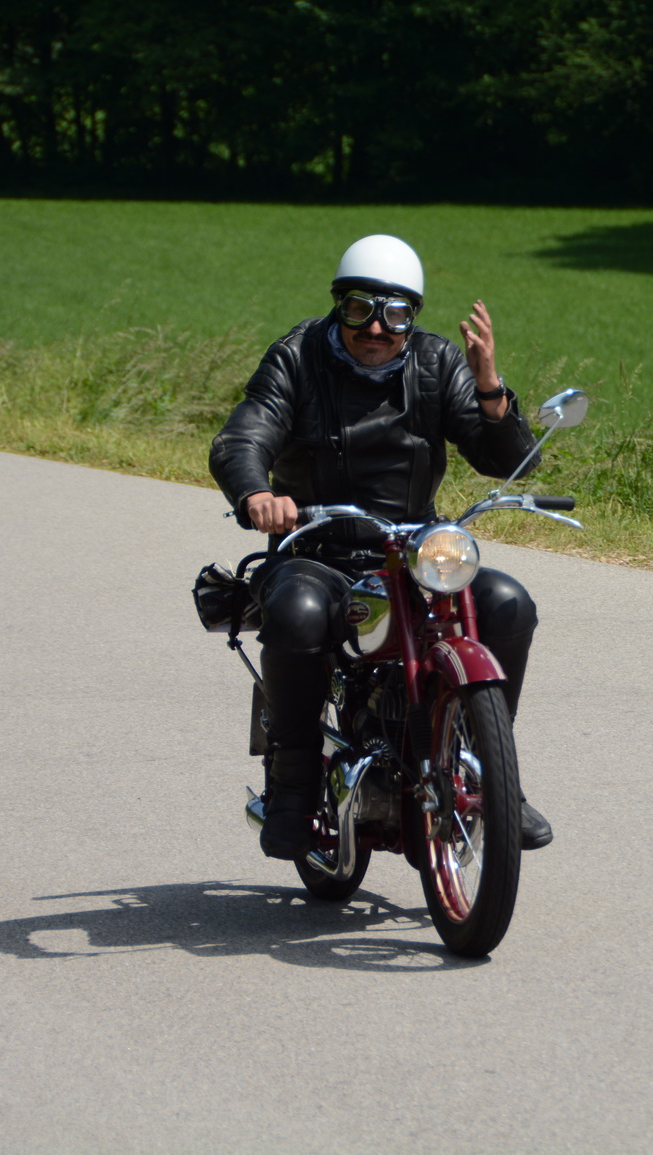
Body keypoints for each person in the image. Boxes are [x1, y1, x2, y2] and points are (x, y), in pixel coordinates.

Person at [209, 234, 553, 860]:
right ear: (338, 305)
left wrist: (488, 385)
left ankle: (494, 776)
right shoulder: (297, 357)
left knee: (507, 603)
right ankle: (294, 783)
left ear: (411, 317)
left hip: (413, 546)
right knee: (297, 614)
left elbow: (506, 461)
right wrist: (256, 490)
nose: (375, 328)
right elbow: (245, 432)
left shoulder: (437, 363)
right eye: (359, 309)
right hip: (320, 547)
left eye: (394, 314)